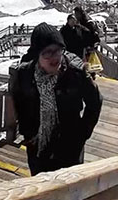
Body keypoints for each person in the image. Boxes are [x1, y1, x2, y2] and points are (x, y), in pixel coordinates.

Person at [6, 23, 102, 175]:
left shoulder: (76, 72)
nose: (54, 57)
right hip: (38, 148)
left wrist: (82, 134)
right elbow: (19, 101)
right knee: (41, 185)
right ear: (37, 54)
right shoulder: (25, 74)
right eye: (47, 53)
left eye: (58, 50)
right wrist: (28, 133)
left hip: (70, 148)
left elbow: (95, 102)